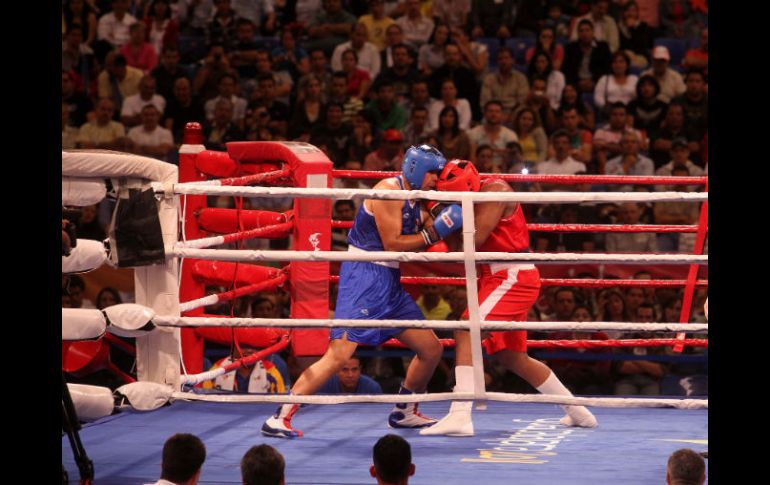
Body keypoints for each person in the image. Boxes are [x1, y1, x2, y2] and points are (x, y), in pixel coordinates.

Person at [262, 145, 460, 438]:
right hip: (364, 277)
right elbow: (394, 243)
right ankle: (280, 416)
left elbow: (437, 236)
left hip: (389, 280)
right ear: (417, 169)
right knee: (339, 355)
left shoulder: (419, 199)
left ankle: (404, 411)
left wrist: (448, 217)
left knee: (431, 349)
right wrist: (435, 231)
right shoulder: (388, 192)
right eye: (432, 173)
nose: (436, 179)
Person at [420, 160, 597, 437]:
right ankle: (579, 412)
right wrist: (443, 218)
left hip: (512, 276)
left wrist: (446, 214)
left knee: (466, 331)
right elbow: (457, 251)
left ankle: (460, 415)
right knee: (512, 356)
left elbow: (472, 243)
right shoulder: (468, 199)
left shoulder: (495, 191)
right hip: (494, 278)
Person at [318, 356, 383, 394]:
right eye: (345, 370)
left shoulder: (372, 388)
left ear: (360, 370)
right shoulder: (324, 385)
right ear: (336, 371)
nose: (350, 375)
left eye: (354, 369)